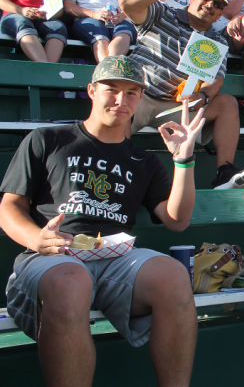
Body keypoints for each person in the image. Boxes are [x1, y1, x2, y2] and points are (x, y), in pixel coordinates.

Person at [0, 55, 202, 387]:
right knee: (70, 279)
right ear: (92, 91)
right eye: (112, 89)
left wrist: (184, 160)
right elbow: (9, 207)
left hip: (114, 258)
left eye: (132, 93)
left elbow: (177, 221)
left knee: (173, 275)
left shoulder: (143, 160)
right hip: (53, 256)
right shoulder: (48, 140)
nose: (121, 100)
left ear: (140, 99)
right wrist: (36, 238)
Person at [119, 0, 244, 189]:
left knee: (227, 103)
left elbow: (215, 80)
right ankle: (112, 163)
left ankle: (224, 173)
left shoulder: (218, 41)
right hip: (140, 94)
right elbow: (126, 3)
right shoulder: (163, 12)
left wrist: (203, 96)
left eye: (218, 5)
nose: (211, 6)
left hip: (178, 104)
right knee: (121, 98)